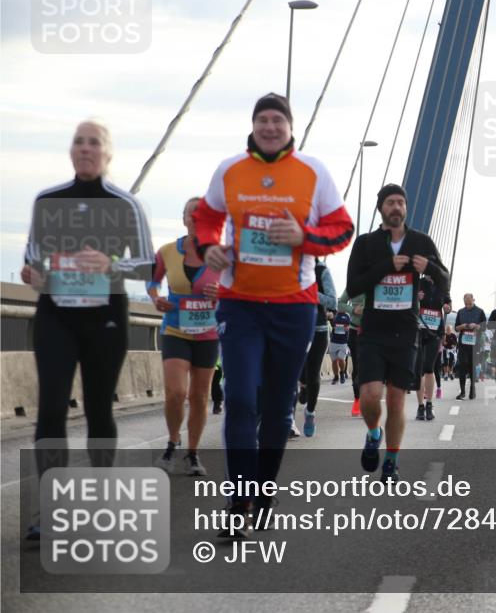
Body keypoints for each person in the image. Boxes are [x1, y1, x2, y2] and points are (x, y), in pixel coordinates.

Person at [194, 93, 354, 537]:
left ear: (289, 127)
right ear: (252, 125)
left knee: (278, 405)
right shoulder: (230, 169)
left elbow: (342, 229)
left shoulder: (312, 171)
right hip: (240, 304)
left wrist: (304, 237)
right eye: (262, 119)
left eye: (277, 120)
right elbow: (206, 218)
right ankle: (239, 499)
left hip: (293, 307)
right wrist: (209, 247)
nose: (269, 127)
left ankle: (264, 491)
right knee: (241, 398)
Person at [22, 120, 155, 540]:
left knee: (99, 409)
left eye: (94, 142)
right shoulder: (48, 200)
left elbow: (148, 265)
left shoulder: (125, 204)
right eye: (78, 142)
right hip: (56, 315)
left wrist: (111, 264)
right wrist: (32, 273)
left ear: (107, 153)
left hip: (105, 318)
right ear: (70, 151)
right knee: (51, 409)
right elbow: (32, 258)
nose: (85, 148)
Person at [346, 184, 449, 483]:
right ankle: (373, 432)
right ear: (381, 208)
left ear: (406, 208)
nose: (396, 207)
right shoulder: (366, 244)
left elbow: (444, 280)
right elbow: (353, 286)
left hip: (405, 333)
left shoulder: (421, 241)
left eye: (401, 202)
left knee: (395, 400)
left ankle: (391, 461)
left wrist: (429, 267)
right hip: (373, 331)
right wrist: (385, 267)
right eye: (390, 202)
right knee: (369, 396)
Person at [147, 197, 221, 475]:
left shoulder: (222, 254)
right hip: (175, 329)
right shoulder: (167, 251)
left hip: (208, 333)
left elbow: (239, 288)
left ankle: (193, 453)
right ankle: (172, 442)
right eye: (192, 214)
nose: (196, 218)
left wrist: (222, 293)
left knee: (199, 396)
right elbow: (152, 281)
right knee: (176, 393)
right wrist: (156, 298)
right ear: (184, 219)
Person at [298, 256, 337, 437]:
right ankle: (303, 386)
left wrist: (310, 293)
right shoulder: (288, 264)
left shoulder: (321, 270)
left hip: (318, 330)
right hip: (294, 329)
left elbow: (333, 301)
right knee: (296, 374)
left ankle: (310, 412)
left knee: (313, 374)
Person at [415, 276, 451, 421]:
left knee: (429, 367)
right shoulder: (418, 283)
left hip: (435, 332)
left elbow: (448, 303)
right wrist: (415, 298)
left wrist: (447, 307)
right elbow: (407, 302)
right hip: (418, 330)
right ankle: (420, 406)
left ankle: (429, 404)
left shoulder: (442, 285)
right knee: (419, 369)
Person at [337, 290, 366, 417]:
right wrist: (353, 310)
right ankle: (357, 399)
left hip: (373, 331)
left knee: (371, 367)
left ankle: (367, 401)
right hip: (355, 331)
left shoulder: (377, 282)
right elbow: (340, 303)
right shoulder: (354, 284)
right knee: (358, 367)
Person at [454, 294, 487, 400]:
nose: (467, 305)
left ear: (473, 300)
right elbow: (456, 328)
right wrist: (463, 326)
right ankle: (462, 391)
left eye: (469, 303)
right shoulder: (460, 312)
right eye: (466, 304)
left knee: (472, 367)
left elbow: (484, 327)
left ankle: (472, 389)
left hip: (475, 344)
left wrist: (476, 326)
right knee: (462, 366)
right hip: (463, 343)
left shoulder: (480, 311)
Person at [328, 308, 352, 384]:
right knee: (334, 361)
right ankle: (336, 377)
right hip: (334, 341)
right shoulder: (334, 315)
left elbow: (350, 326)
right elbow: (331, 324)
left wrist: (347, 328)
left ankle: (342, 372)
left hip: (343, 342)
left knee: (341, 359)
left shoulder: (347, 316)